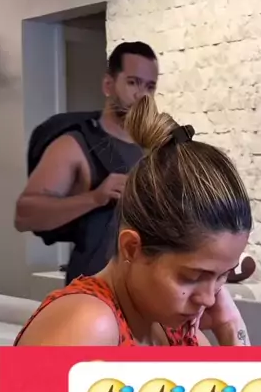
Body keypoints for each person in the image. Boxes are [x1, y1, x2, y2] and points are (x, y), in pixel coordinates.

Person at [14, 94, 252, 347]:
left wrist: (230, 323)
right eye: (193, 276)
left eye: (222, 276)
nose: (210, 299)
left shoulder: (171, 326)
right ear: (131, 247)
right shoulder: (90, 324)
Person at [14, 41, 158, 284]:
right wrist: (95, 198)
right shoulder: (74, 145)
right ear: (108, 85)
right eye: (132, 82)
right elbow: (25, 215)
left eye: (150, 86)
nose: (141, 95)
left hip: (143, 288)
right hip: (91, 290)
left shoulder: (153, 148)